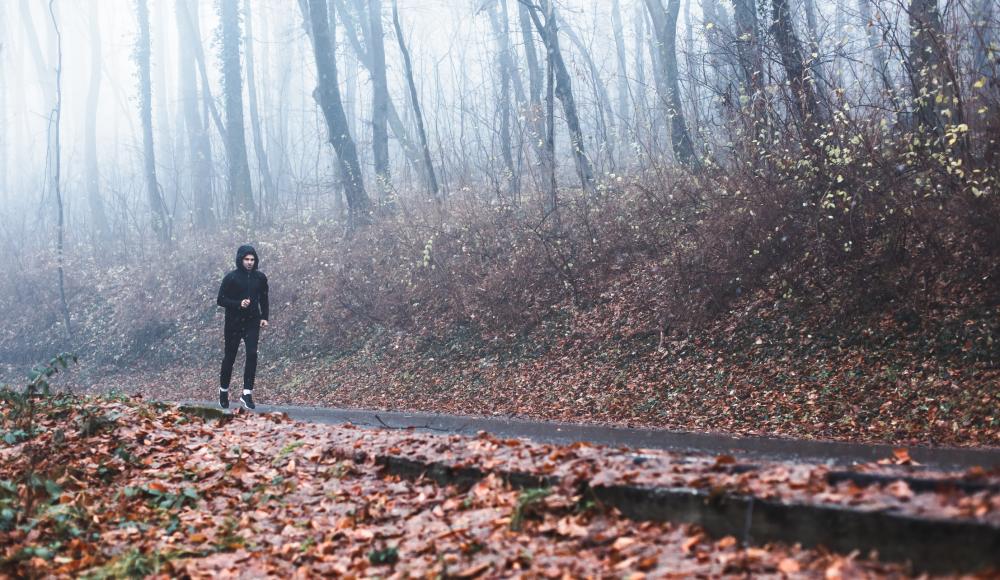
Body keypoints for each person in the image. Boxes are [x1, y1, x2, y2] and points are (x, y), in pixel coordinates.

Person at [217, 245, 269, 410]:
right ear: (240, 259)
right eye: (246, 259)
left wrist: (264, 317)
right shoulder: (231, 278)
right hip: (233, 322)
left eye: (252, 259)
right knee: (230, 357)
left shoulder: (260, 278)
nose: (249, 262)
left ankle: (247, 393)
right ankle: (223, 391)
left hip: (252, 322)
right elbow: (221, 300)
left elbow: (264, 298)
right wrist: (238, 304)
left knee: (252, 354)